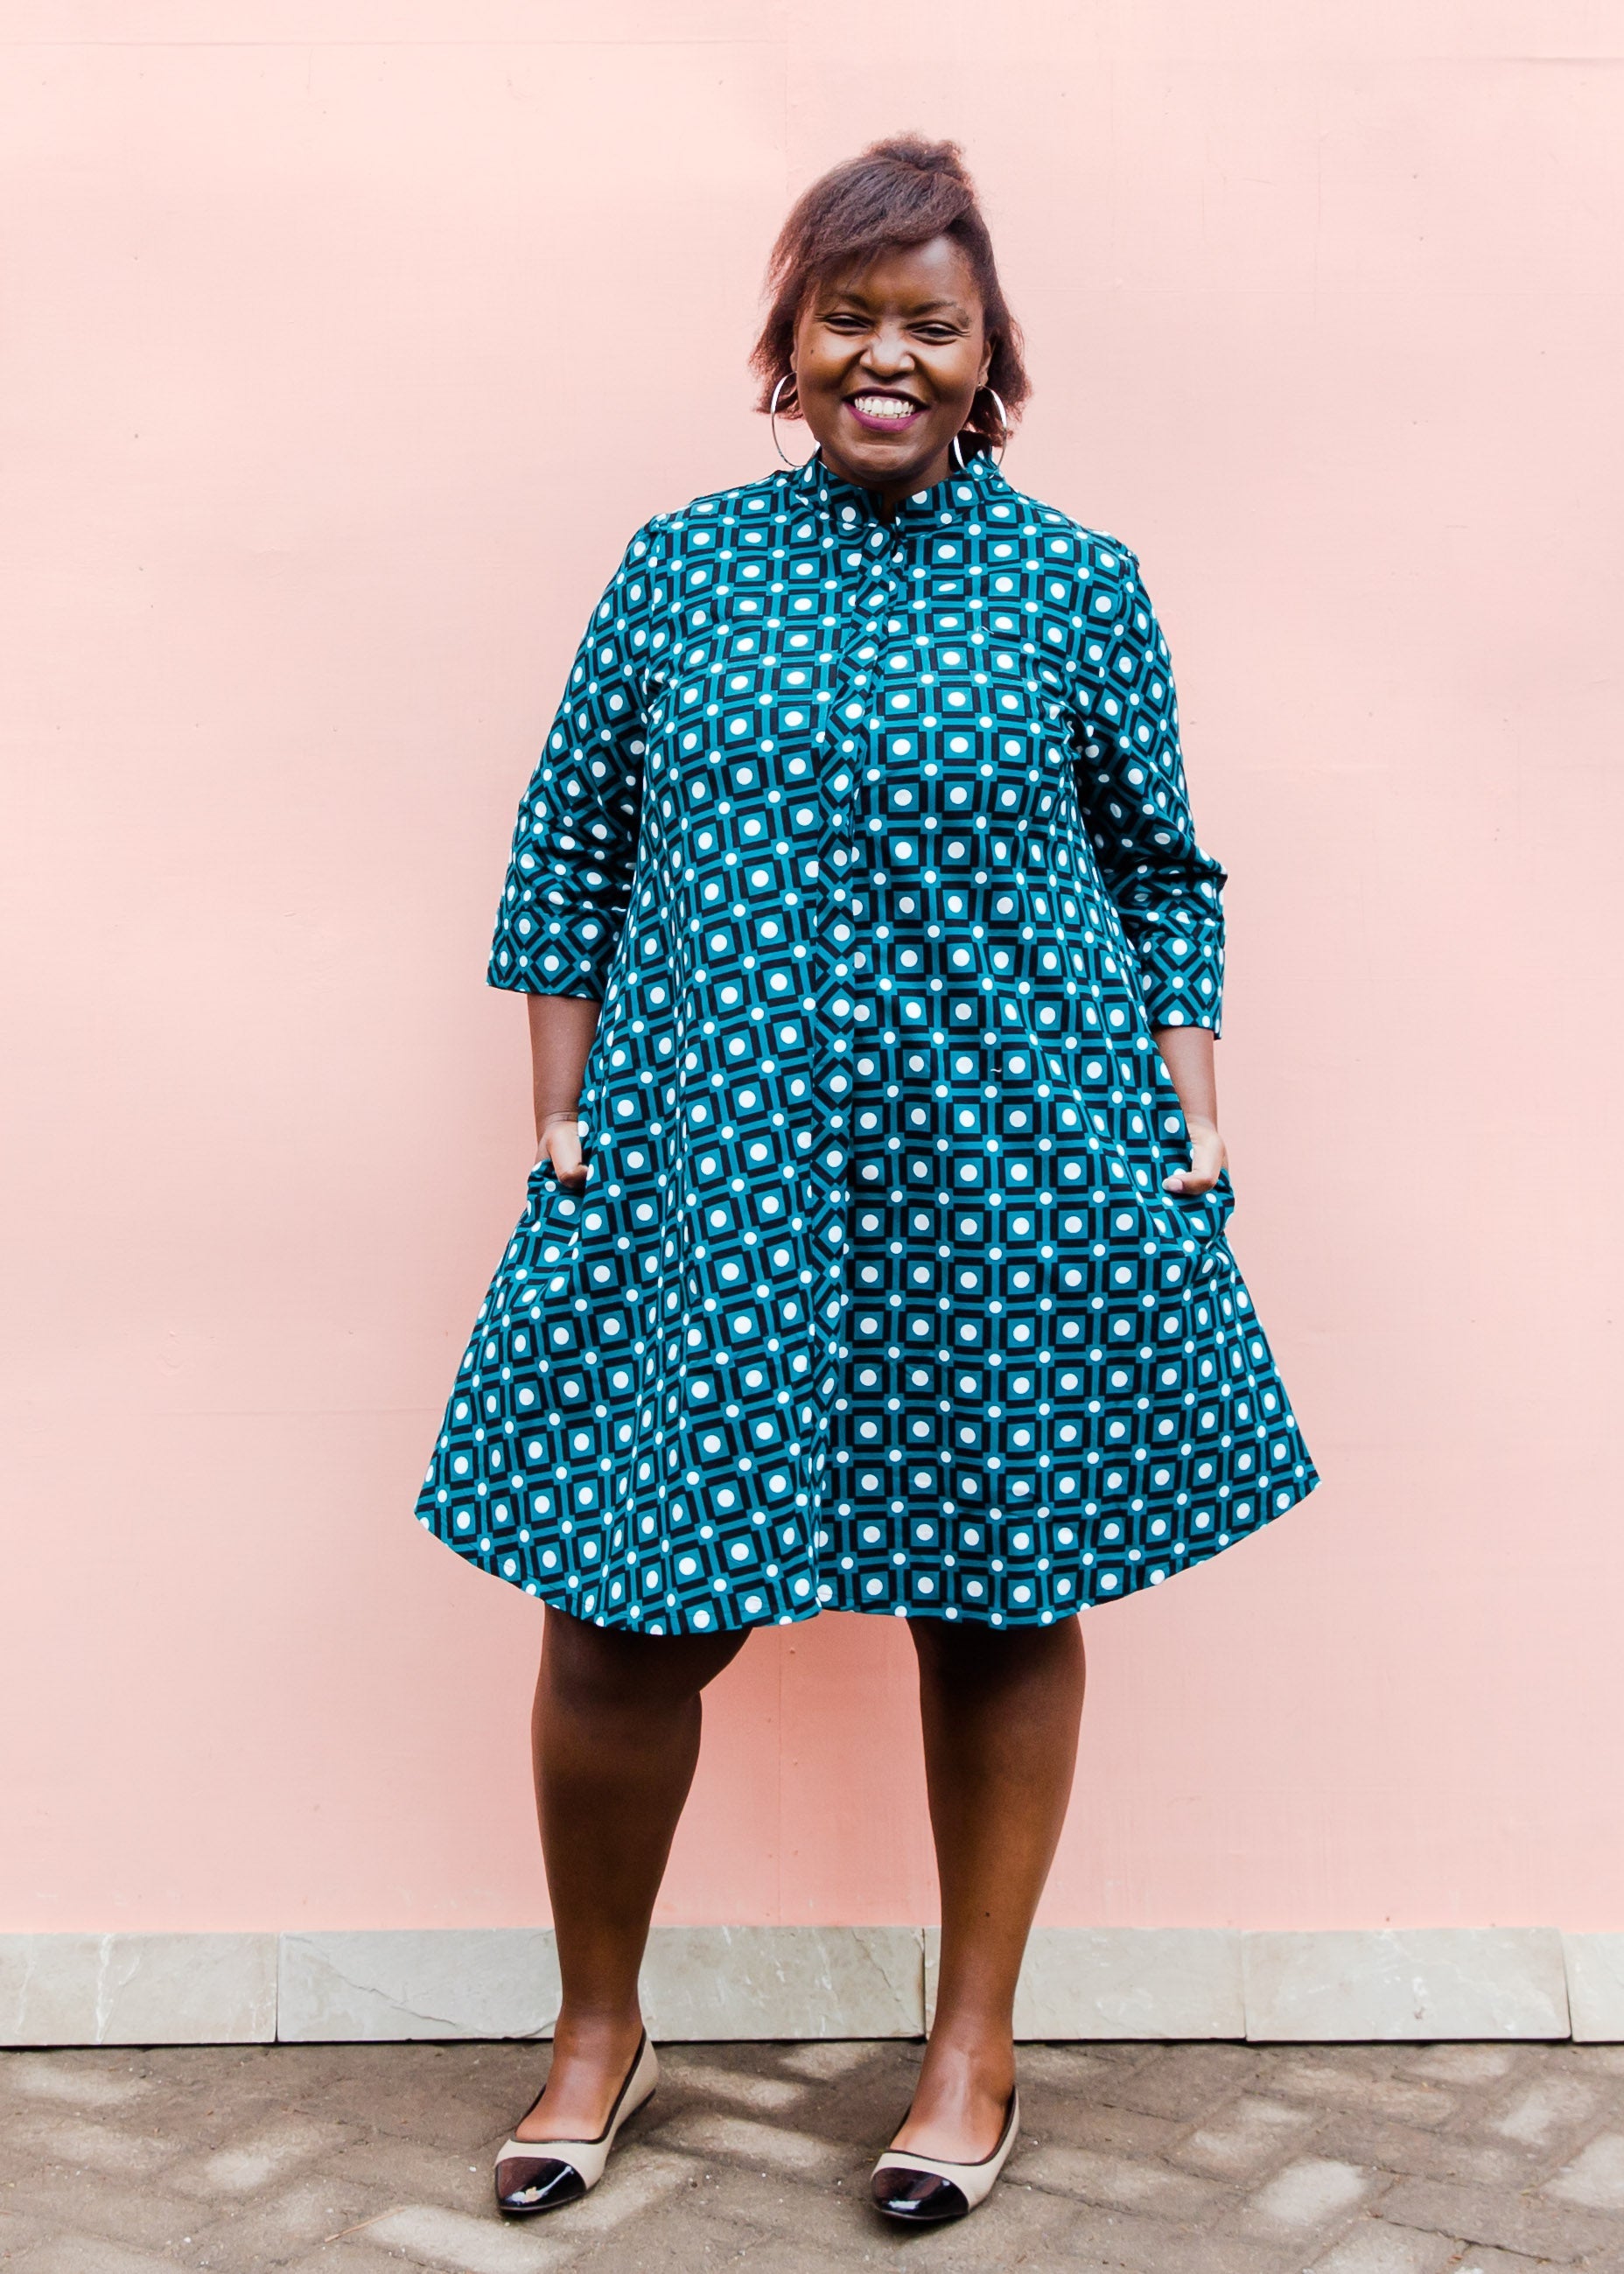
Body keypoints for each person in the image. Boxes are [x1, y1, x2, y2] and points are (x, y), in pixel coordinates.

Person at [414, 134, 1319, 2229]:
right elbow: (569, 853)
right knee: (617, 1621)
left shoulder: (1076, 582)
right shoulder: (676, 568)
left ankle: (970, 2040)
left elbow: (1158, 869)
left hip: (1008, 1160)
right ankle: (595, 2026)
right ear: (790, 343)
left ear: (989, 353)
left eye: (931, 319)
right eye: (849, 315)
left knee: (999, 1595)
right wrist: (557, 1119)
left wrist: (1185, 1106)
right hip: (712, 1169)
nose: (885, 353)